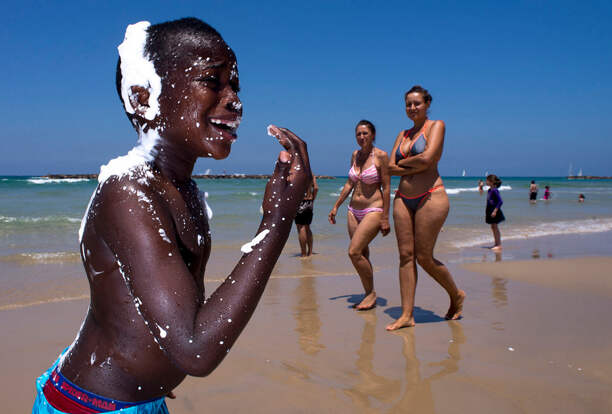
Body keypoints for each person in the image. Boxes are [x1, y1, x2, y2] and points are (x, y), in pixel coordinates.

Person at [32, 18, 311, 414]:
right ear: (144, 98)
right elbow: (196, 350)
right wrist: (276, 221)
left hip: (138, 399)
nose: (234, 101)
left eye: (235, 86)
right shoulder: (127, 192)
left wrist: (160, 365)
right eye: (213, 82)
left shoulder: (183, 190)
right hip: (90, 405)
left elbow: (167, 310)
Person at [387, 85, 465, 331]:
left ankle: (456, 295)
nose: (412, 108)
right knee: (405, 257)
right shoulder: (402, 134)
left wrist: (407, 164)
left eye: (416, 103)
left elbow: (428, 159)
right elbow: (390, 167)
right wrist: (414, 164)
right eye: (408, 104)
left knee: (424, 257)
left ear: (427, 104)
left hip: (431, 196)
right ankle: (407, 314)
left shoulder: (437, 126)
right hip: (402, 197)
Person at [328, 120, 391, 311]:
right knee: (362, 253)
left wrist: (386, 217)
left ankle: (371, 293)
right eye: (358, 134)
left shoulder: (381, 156)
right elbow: (349, 183)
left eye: (365, 133)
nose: (361, 137)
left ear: (373, 135)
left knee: (353, 252)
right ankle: (368, 293)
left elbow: (387, 188)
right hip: (353, 210)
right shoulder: (355, 155)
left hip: (374, 209)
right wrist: (336, 206)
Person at [295, 174, 318, 257]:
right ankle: (310, 252)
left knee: (301, 228)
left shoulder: (298, 173)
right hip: (309, 203)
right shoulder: (310, 174)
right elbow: (315, 188)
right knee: (307, 227)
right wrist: (312, 199)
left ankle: (303, 253)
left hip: (300, 203)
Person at [485, 174, 505, 251]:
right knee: (493, 227)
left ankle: (498, 244)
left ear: (491, 182)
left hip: (494, 210)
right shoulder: (489, 190)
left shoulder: (494, 190)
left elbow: (500, 201)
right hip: (490, 210)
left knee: (495, 227)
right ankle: (496, 243)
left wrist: (495, 211)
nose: (486, 181)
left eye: (487, 180)